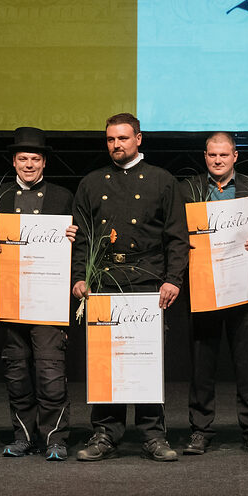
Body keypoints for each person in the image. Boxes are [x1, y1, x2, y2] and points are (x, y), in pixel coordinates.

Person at [71, 113, 188, 462]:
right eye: (110, 139)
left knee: (146, 360)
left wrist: (173, 279)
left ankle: (153, 434)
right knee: (107, 361)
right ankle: (105, 433)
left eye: (122, 138)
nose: (116, 145)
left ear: (139, 138)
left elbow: (177, 238)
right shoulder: (91, 183)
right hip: (104, 282)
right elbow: (82, 239)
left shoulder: (162, 181)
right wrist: (79, 276)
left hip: (148, 281)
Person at [180, 131, 248, 456]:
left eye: (224, 155)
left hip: (243, 286)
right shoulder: (186, 190)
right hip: (203, 286)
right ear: (205, 157)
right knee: (201, 364)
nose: (217, 160)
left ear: (235, 156)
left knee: (247, 363)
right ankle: (200, 429)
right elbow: (175, 233)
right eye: (211, 155)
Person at [0, 127, 76, 460]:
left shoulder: (62, 196)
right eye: (23, 159)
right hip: (12, 296)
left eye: (35, 159)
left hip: (49, 297)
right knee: (16, 371)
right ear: (14, 162)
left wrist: (74, 234)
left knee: (50, 371)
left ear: (44, 162)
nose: (29, 165)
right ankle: (24, 435)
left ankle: (55, 438)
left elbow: (80, 240)